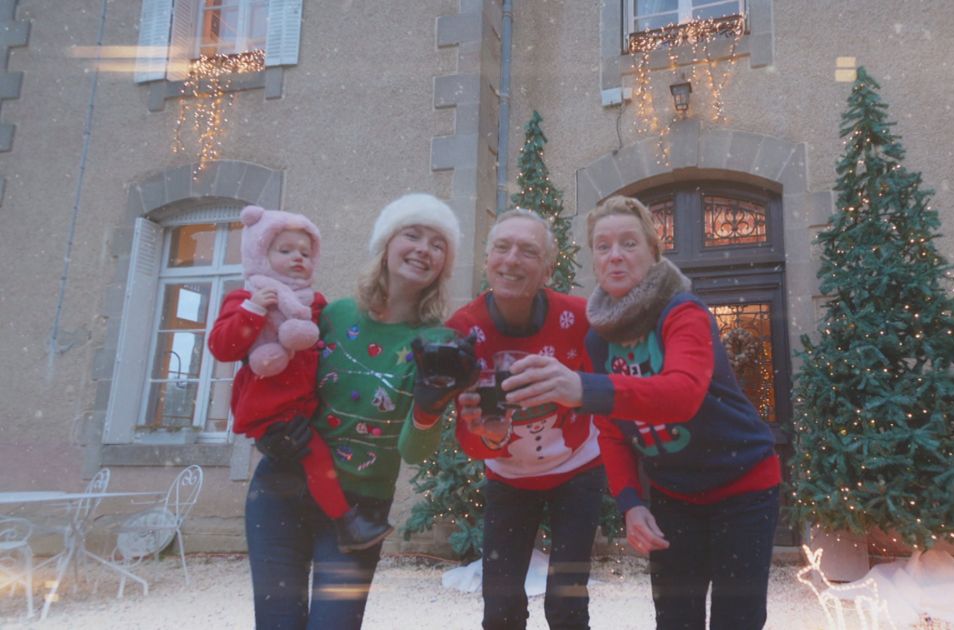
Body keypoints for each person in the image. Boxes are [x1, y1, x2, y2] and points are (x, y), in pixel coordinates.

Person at [503, 195, 781, 629]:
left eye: (629, 243)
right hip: (674, 494)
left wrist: (584, 388)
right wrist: (631, 504)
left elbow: (683, 394)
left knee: (737, 619)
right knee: (675, 620)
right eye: (603, 246)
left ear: (653, 252)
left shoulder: (683, 311)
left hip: (743, 484)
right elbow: (613, 431)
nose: (615, 255)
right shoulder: (599, 339)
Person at [242, 193, 474, 629]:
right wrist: (266, 434)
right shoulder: (333, 315)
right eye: (412, 235)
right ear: (386, 244)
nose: (424, 249)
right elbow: (270, 377)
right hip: (281, 490)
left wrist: (428, 409)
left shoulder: (436, 343)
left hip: (359, 510)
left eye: (438, 244)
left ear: (445, 264)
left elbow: (414, 452)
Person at [450, 208, 604, 630]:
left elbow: (608, 392)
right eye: (502, 247)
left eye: (528, 251)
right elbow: (467, 435)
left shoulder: (580, 317)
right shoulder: (463, 329)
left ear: (548, 269)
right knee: (500, 606)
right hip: (508, 476)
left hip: (578, 468)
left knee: (567, 602)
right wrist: (490, 437)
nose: (512, 259)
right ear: (487, 260)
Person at [209, 205, 392, 554]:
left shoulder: (314, 304)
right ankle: (347, 524)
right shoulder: (245, 298)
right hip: (270, 407)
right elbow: (223, 347)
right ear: (261, 255)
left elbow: (329, 347)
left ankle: (330, 520)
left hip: (304, 406)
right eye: (285, 250)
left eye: (306, 254)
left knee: (315, 458)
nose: (298, 258)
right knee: (317, 458)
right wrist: (254, 310)